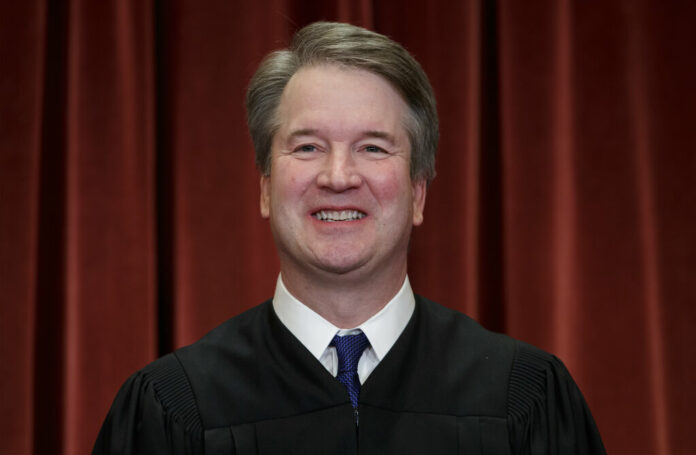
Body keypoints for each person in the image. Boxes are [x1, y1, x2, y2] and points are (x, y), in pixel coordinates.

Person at [93, 22, 605, 454]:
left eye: (374, 148)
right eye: (309, 146)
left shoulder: (523, 400)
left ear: (418, 192)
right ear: (266, 187)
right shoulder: (173, 410)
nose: (338, 176)